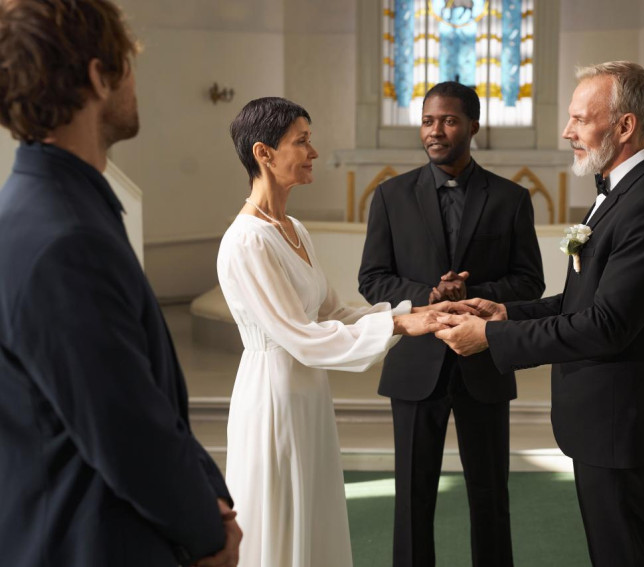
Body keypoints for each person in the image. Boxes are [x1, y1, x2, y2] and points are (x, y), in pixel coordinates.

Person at [0, 1, 240, 566]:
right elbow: (127, 432)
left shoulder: (53, 208)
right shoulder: (66, 238)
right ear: (96, 76)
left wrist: (211, 490)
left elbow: (142, 396)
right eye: (127, 64)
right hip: (91, 543)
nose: (135, 80)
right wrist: (208, 532)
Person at [436, 62, 644, 567]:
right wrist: (505, 313)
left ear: (624, 126)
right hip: (602, 418)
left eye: (581, 119)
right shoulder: (618, 194)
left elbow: (607, 326)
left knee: (624, 554)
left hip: (621, 421)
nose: (568, 131)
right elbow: (584, 302)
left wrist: (492, 340)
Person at [218, 96, 450, 567]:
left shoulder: (294, 229)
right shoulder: (246, 240)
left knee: (314, 510)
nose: (313, 152)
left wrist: (416, 313)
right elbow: (300, 337)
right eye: (301, 141)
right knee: (282, 512)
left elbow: (333, 314)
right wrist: (400, 323)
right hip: (274, 396)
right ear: (263, 153)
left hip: (307, 395)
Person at [358, 81, 545, 567]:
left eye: (448, 120)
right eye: (427, 120)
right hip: (416, 367)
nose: (435, 130)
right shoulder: (390, 197)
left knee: (490, 494)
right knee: (412, 496)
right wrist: (428, 298)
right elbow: (373, 279)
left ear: (473, 126)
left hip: (484, 360)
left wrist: (476, 296)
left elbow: (529, 282)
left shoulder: (511, 199)